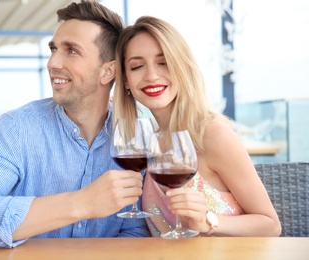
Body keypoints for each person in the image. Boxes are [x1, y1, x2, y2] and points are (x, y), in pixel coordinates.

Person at [0, 1, 151, 249]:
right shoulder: (17, 129)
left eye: (71, 51)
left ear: (108, 72)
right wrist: (81, 203)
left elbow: (137, 231)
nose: (53, 63)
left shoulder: (134, 140)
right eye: (53, 49)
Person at [112, 16, 281, 237]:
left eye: (164, 62)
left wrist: (207, 221)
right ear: (125, 81)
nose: (152, 75)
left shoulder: (213, 134)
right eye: (137, 66)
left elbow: (271, 226)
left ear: (182, 67)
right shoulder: (150, 142)